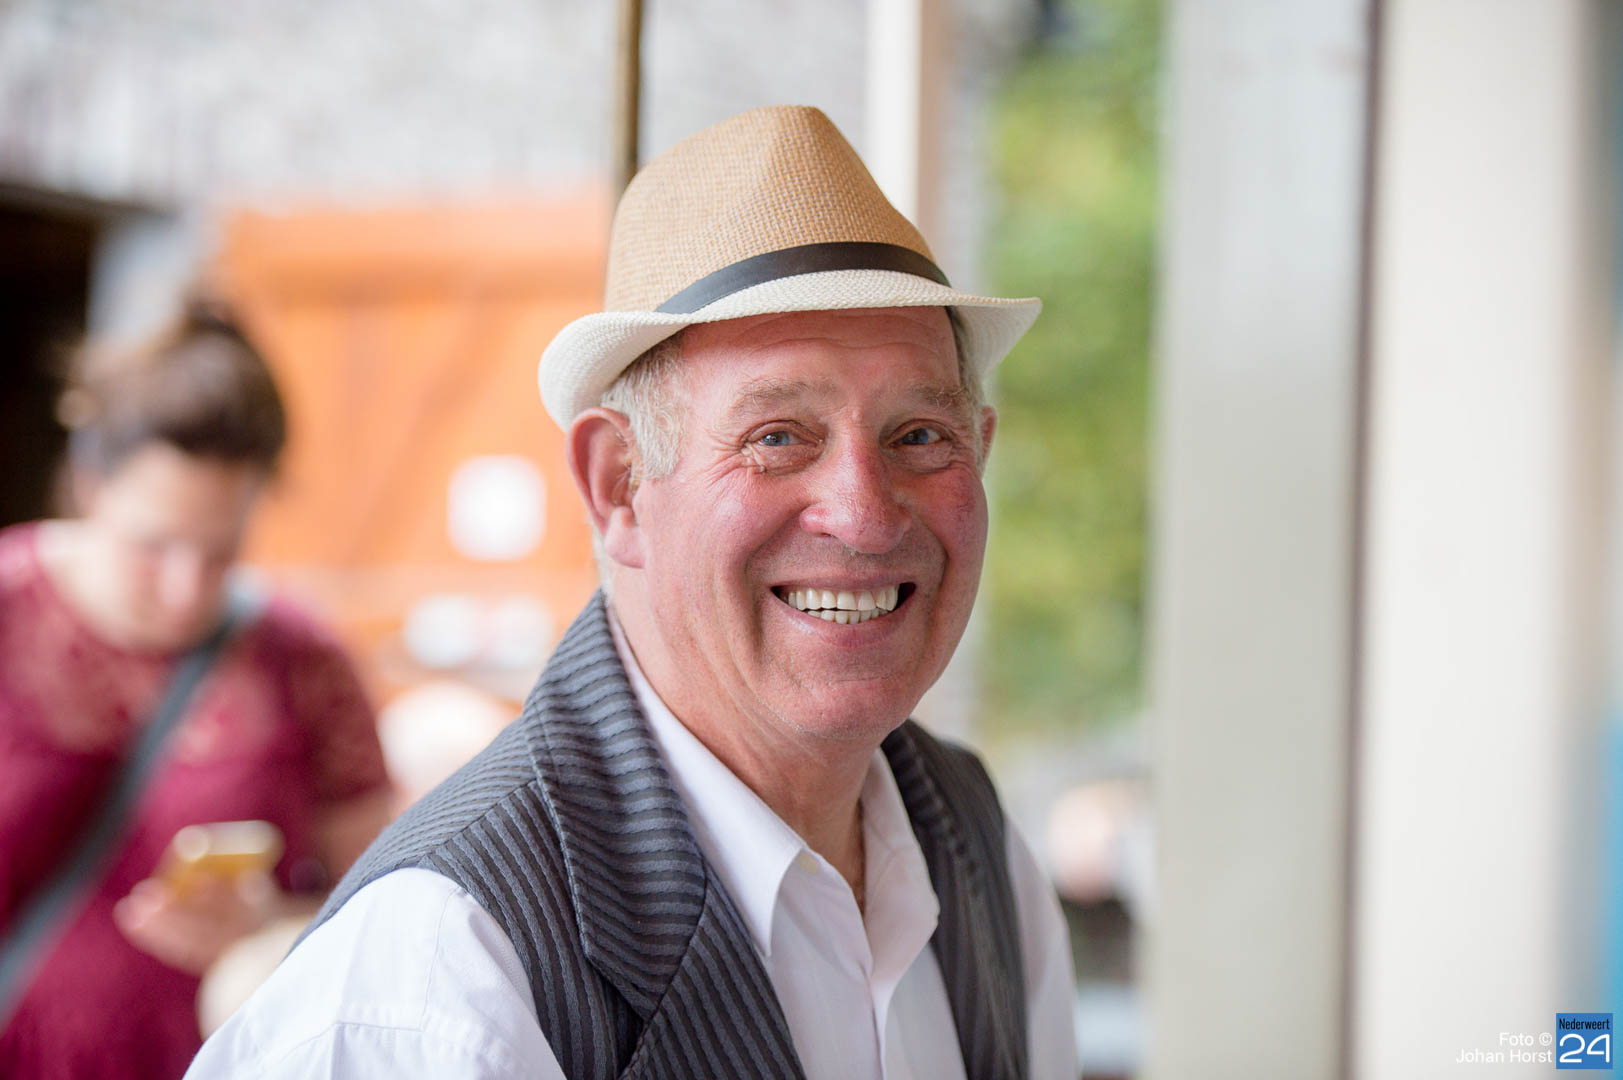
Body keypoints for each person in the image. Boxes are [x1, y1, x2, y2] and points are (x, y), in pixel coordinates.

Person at [189, 105, 1079, 1079]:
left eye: (919, 437)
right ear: (618, 486)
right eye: (778, 436)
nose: (864, 517)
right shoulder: (434, 986)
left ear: (979, 453)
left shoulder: (980, 849)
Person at [0, 303, 392, 1079]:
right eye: (153, 546)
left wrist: (270, 925)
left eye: (221, 551)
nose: (185, 590)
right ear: (89, 486)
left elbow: (382, 912)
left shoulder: (306, 663)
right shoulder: (9, 609)